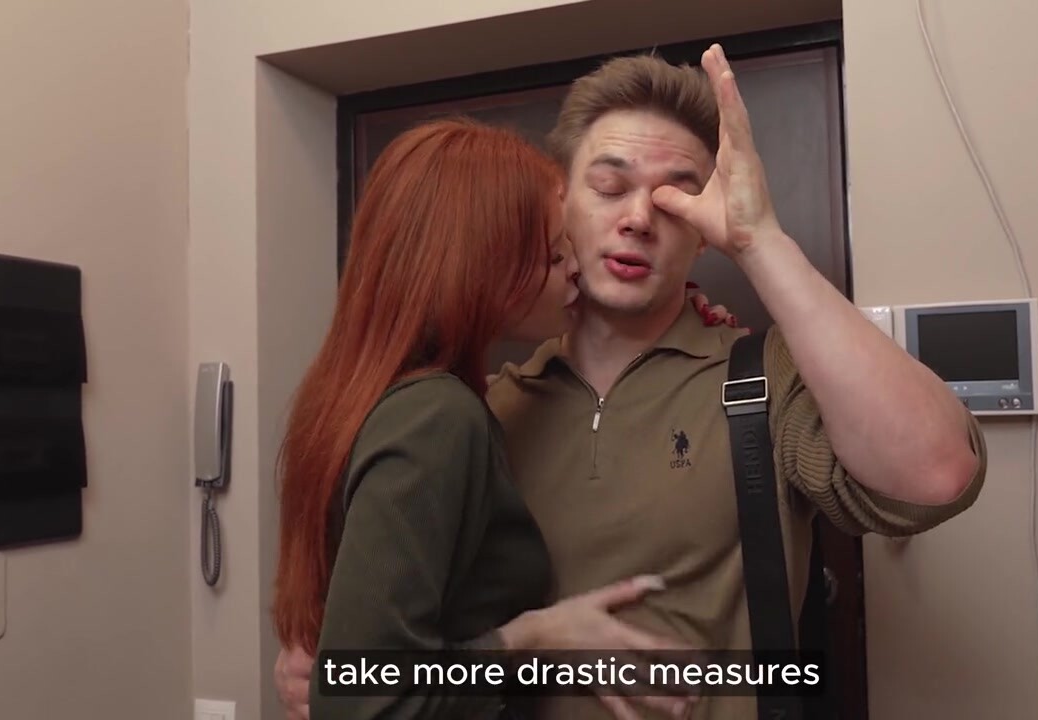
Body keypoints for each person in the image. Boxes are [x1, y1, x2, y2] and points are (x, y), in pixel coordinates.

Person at [278, 44, 988, 719]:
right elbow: (379, 651)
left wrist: (760, 241)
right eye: (609, 186)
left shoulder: (758, 380)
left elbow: (934, 475)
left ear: (703, 231)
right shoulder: (480, 406)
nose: (640, 218)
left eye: (677, 198)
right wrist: (320, 661)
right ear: (557, 203)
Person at [272, 117, 731, 720]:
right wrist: (533, 638)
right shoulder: (437, 414)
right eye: (552, 255)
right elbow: (364, 697)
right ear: (480, 267)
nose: (572, 269)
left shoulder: (371, 393)